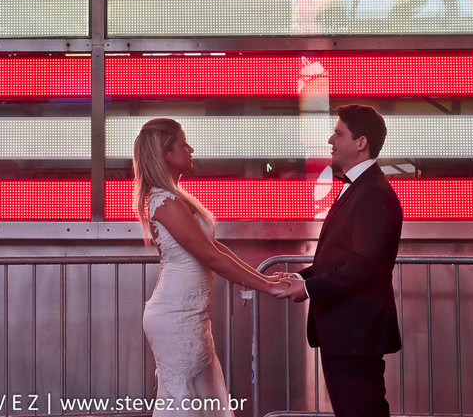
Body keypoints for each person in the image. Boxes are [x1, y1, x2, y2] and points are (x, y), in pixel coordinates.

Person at [133, 118, 292, 417]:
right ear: (167, 153)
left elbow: (217, 249)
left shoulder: (175, 200)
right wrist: (268, 286)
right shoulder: (164, 202)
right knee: (184, 400)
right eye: (183, 143)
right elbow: (212, 257)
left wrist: (262, 278)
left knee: (200, 399)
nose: (190, 149)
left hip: (190, 316)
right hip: (175, 316)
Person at [280, 104, 403, 417]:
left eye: (338, 133)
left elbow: (364, 266)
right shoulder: (361, 188)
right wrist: (303, 279)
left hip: (355, 333)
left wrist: (308, 289)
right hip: (346, 332)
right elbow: (343, 260)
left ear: (360, 142)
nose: (330, 141)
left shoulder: (373, 193)